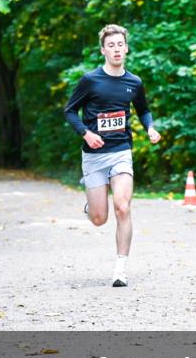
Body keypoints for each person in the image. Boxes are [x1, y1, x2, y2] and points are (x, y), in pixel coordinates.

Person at [63, 24, 161, 288]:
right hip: (94, 156)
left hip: (121, 152)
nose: (116, 49)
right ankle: (92, 206)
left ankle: (120, 268)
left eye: (120, 45)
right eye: (111, 45)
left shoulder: (134, 82)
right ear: (103, 50)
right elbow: (70, 111)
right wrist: (85, 133)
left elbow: (143, 110)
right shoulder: (90, 80)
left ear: (126, 48)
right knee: (99, 218)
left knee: (122, 206)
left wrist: (150, 127)